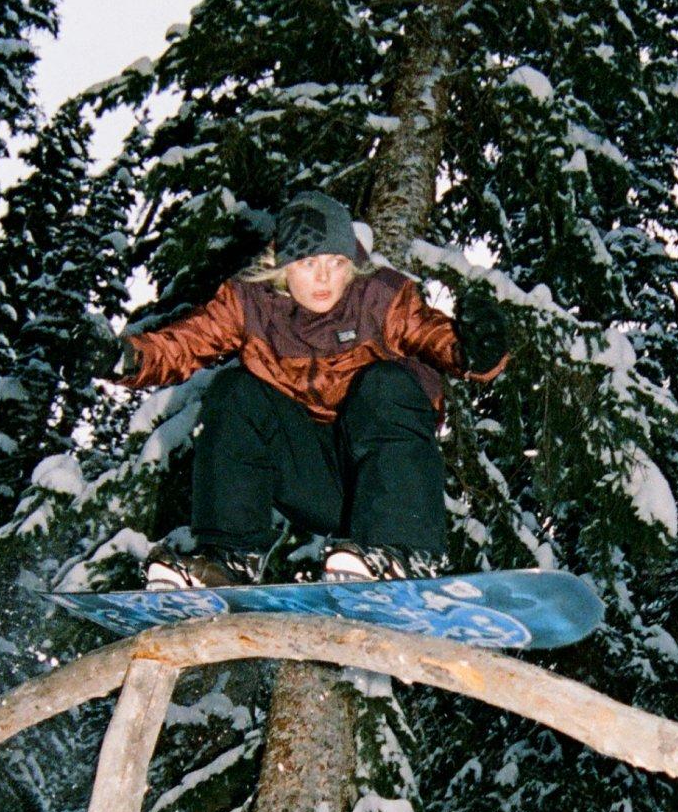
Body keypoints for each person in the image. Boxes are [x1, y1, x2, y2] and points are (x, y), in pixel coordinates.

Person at [111, 189, 509, 587]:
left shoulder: (380, 298)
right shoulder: (250, 303)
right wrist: (119, 357)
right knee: (234, 391)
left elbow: (439, 340)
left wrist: (479, 349)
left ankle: (400, 553)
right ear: (282, 267)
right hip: (310, 478)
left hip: (385, 481)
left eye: (337, 263)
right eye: (308, 264)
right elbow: (183, 344)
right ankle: (227, 559)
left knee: (385, 383)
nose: (324, 278)